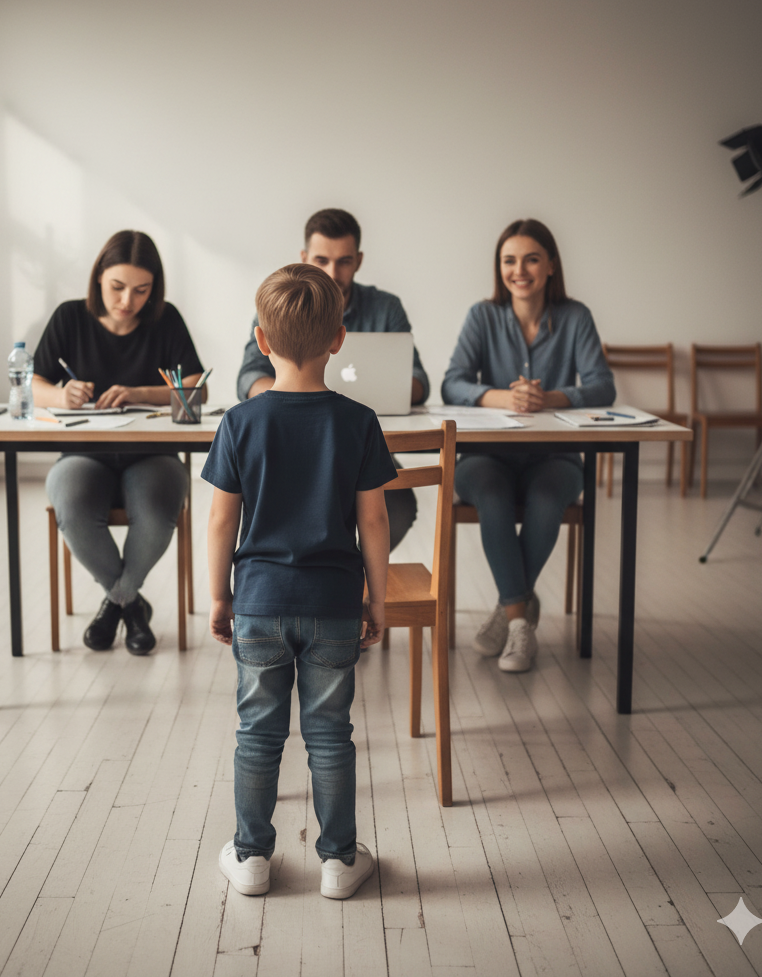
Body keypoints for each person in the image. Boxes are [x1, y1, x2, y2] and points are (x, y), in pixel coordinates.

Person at [205, 263, 394, 899]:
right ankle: (339, 861)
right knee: (329, 735)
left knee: (258, 735)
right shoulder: (360, 421)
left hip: (257, 604)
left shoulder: (239, 422)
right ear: (339, 338)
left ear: (261, 341)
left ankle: (252, 857)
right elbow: (373, 519)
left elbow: (219, 521)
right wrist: (379, 598)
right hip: (335, 605)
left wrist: (217, 596)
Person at [442, 219, 615, 673]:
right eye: (509, 260)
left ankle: (508, 614)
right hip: (484, 456)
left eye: (531, 259)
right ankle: (522, 620)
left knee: (545, 496)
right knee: (493, 495)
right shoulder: (482, 315)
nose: (520, 270)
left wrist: (551, 398)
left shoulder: (576, 316)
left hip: (554, 455)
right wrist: (503, 396)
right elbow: (452, 383)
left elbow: (602, 386)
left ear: (551, 265)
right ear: (499, 267)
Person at [32, 230, 206, 655]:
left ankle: (115, 603)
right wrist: (61, 395)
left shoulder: (166, 320)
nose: (127, 300)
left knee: (158, 510)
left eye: (141, 290)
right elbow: (32, 384)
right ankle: (131, 604)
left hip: (151, 453)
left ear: (154, 289)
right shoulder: (69, 317)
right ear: (97, 279)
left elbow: (196, 390)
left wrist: (140, 392)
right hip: (83, 452)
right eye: (117, 287)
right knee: (71, 507)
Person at [236, 208, 427, 550]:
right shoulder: (280, 301)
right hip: (292, 431)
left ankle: (348, 577)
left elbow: (418, 380)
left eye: (344, 262)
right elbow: (249, 375)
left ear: (359, 260)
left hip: (363, 435)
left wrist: (388, 390)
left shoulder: (387, 307)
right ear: (304, 256)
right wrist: (293, 395)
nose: (332, 272)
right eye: (321, 260)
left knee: (397, 506)